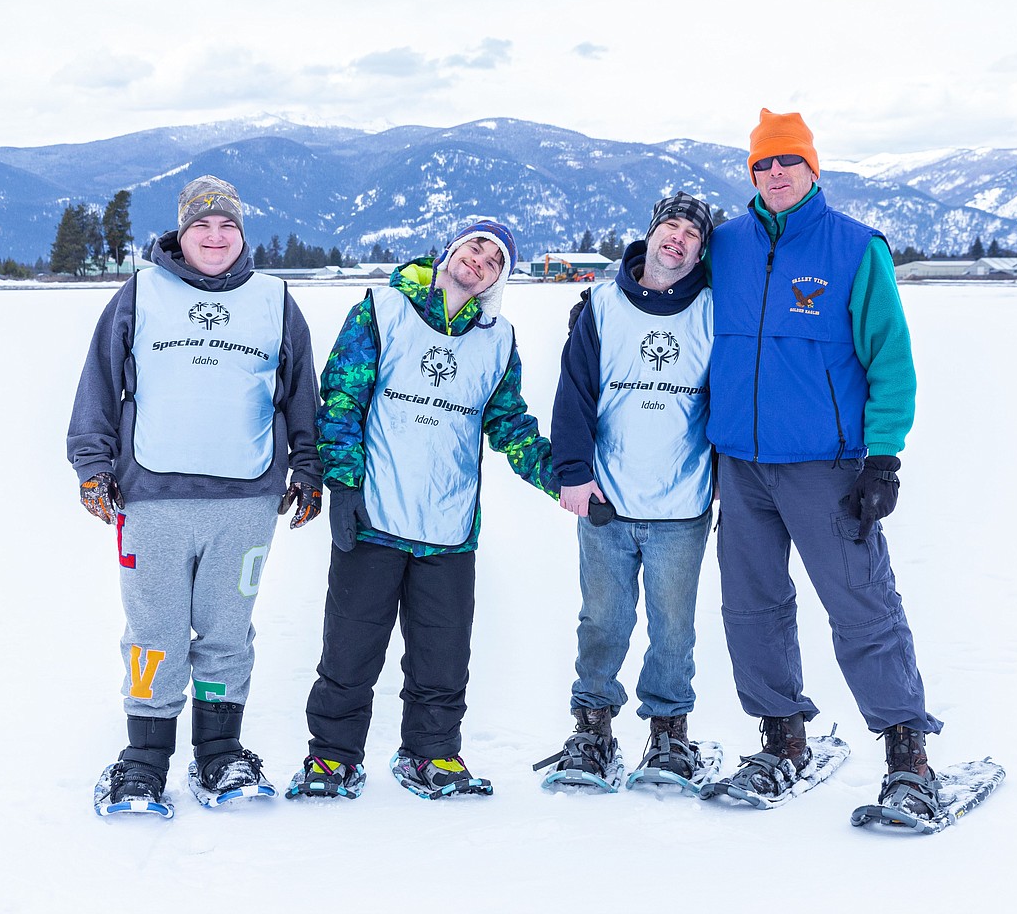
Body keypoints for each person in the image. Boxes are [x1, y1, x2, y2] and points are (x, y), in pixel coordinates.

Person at [709, 109, 943, 818]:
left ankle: (908, 753)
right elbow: (663, 290)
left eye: (788, 162)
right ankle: (782, 739)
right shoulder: (724, 245)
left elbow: (890, 360)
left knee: (862, 607)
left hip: (827, 468)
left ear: (813, 169)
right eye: (763, 164)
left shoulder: (854, 249)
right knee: (752, 609)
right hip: (739, 466)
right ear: (751, 174)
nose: (775, 174)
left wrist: (883, 459)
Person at [69, 175, 323, 816]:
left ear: (242, 233)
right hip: (153, 497)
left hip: (245, 500)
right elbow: (101, 382)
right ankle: (143, 764)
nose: (215, 236)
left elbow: (300, 396)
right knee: (153, 632)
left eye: (227, 225)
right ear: (181, 235)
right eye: (201, 226)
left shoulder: (275, 299)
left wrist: (308, 468)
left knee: (226, 633)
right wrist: (92, 466)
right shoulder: (141, 293)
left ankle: (219, 757)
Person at [290, 218, 558, 801]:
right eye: (476, 246)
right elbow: (341, 396)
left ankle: (432, 754)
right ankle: (332, 758)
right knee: (350, 647)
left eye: (496, 260)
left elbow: (509, 423)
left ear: (497, 280)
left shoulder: (497, 338)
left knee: (442, 656)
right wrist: (342, 486)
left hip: (448, 526)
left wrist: (561, 475)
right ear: (452, 249)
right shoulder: (383, 309)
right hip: (375, 518)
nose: (482, 260)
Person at [541, 192, 716, 789]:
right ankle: (592, 725)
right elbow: (575, 395)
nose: (679, 238)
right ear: (650, 234)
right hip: (608, 504)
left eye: (692, 233)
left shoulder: (715, 310)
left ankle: (669, 731)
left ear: (700, 249)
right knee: (602, 621)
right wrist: (572, 473)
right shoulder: (602, 306)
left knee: (674, 628)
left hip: (682, 503)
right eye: (670, 225)